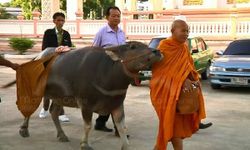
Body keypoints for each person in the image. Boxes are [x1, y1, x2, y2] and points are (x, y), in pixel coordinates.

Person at [150, 20, 206, 150]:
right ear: (173, 31)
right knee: (172, 127)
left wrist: (192, 79)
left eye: (187, 31)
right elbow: (159, 73)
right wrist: (181, 80)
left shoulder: (184, 48)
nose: (186, 34)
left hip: (180, 97)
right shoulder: (164, 46)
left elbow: (189, 68)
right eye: (183, 30)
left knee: (174, 129)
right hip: (164, 94)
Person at [92, 6, 127, 137]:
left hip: (119, 73)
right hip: (105, 72)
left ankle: (100, 122)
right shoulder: (102, 32)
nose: (116, 18)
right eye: (113, 16)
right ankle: (119, 130)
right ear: (107, 17)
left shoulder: (122, 33)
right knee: (115, 99)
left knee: (113, 99)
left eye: (118, 16)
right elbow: (94, 51)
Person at [39, 12, 72, 122]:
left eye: (62, 20)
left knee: (60, 88)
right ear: (54, 21)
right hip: (49, 63)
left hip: (62, 65)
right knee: (48, 87)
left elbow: (69, 47)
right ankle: (44, 108)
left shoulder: (66, 34)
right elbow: (44, 48)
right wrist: (56, 50)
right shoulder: (48, 33)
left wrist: (64, 49)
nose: (61, 22)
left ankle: (61, 113)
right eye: (58, 20)